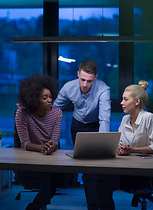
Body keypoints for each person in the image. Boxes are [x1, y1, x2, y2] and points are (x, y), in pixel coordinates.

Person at [53, 59, 112, 210]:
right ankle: (92, 206)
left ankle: (107, 207)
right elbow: (53, 109)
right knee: (86, 169)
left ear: (96, 77)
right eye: (83, 79)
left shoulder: (103, 89)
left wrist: (102, 144)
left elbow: (105, 118)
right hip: (78, 126)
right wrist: (31, 107)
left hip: (96, 126)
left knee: (101, 169)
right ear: (78, 74)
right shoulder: (69, 87)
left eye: (90, 81)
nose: (85, 85)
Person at [15, 74, 63, 210]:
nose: (50, 100)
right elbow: (25, 143)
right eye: (44, 98)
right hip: (30, 158)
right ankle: (36, 206)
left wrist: (52, 146)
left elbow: (55, 139)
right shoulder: (22, 113)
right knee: (49, 182)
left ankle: (35, 206)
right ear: (34, 99)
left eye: (50, 96)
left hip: (50, 158)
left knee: (56, 180)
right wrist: (42, 148)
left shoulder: (57, 113)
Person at [117, 80, 153, 191]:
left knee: (107, 181)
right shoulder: (125, 119)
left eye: (125, 99)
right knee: (101, 178)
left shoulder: (149, 118)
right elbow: (119, 143)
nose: (121, 103)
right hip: (128, 166)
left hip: (145, 169)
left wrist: (132, 150)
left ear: (137, 101)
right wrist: (120, 149)